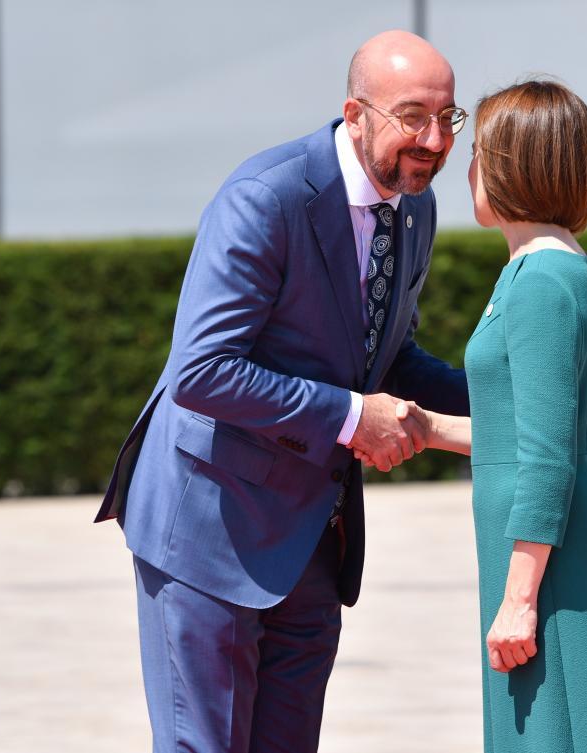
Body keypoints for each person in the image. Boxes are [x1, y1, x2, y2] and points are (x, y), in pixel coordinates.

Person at [93, 31, 469, 753]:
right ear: (355, 114)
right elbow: (202, 370)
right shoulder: (265, 197)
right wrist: (353, 418)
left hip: (311, 542)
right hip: (208, 528)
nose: (433, 140)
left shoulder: (413, 208)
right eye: (412, 116)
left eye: (446, 118)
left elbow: (384, 357)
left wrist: (505, 397)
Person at [362, 80, 587, 751]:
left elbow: (548, 459)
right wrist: (425, 427)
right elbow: (528, 433)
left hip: (550, 565)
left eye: (479, 152)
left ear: (515, 166)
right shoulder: (553, 269)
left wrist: (519, 598)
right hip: (551, 551)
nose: (467, 167)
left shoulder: (540, 283)